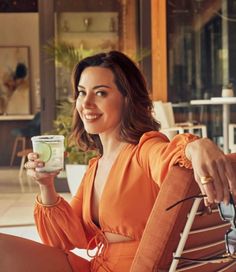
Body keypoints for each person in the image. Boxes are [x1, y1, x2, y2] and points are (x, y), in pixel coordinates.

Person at [0, 51, 235, 272]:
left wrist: (196, 145)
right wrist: (46, 184)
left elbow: (170, 157)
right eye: (82, 92)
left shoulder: (144, 150)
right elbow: (64, 239)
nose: (87, 103)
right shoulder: (96, 167)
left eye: (101, 93)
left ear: (127, 99)